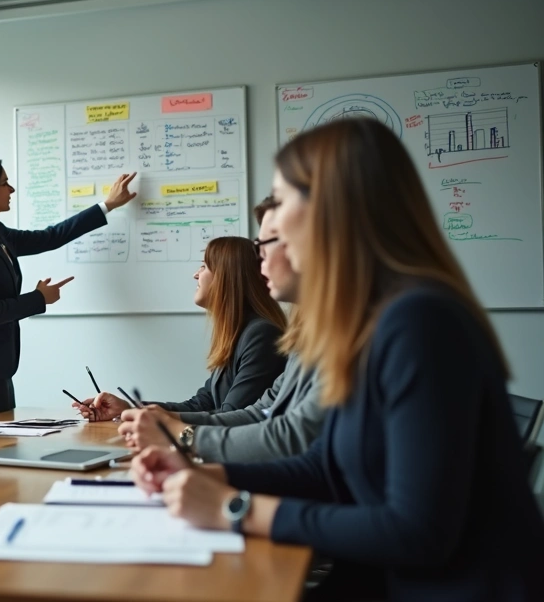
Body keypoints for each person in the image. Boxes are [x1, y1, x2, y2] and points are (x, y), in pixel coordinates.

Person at [131, 118, 544, 601]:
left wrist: (235, 507)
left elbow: (418, 533)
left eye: (282, 202)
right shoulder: (369, 321)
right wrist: (209, 474)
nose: (272, 227)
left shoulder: (420, 322)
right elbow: (325, 467)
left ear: (331, 211)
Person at [117, 197, 325, 463]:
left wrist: (182, 436)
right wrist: (152, 416)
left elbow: (284, 433)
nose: (261, 260)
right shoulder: (300, 334)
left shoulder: (262, 334)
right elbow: (256, 411)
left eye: (267, 244)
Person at [0, 157, 138, 412]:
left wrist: (107, 205)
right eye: (4, 183)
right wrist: (39, 298)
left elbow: (51, 237)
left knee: (4, 437)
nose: (11, 190)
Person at [75, 236, 287, 429]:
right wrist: (129, 408)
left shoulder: (261, 335)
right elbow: (202, 404)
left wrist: (153, 418)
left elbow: (231, 417)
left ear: (227, 277)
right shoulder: (240, 333)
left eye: (204, 266)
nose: (196, 274)